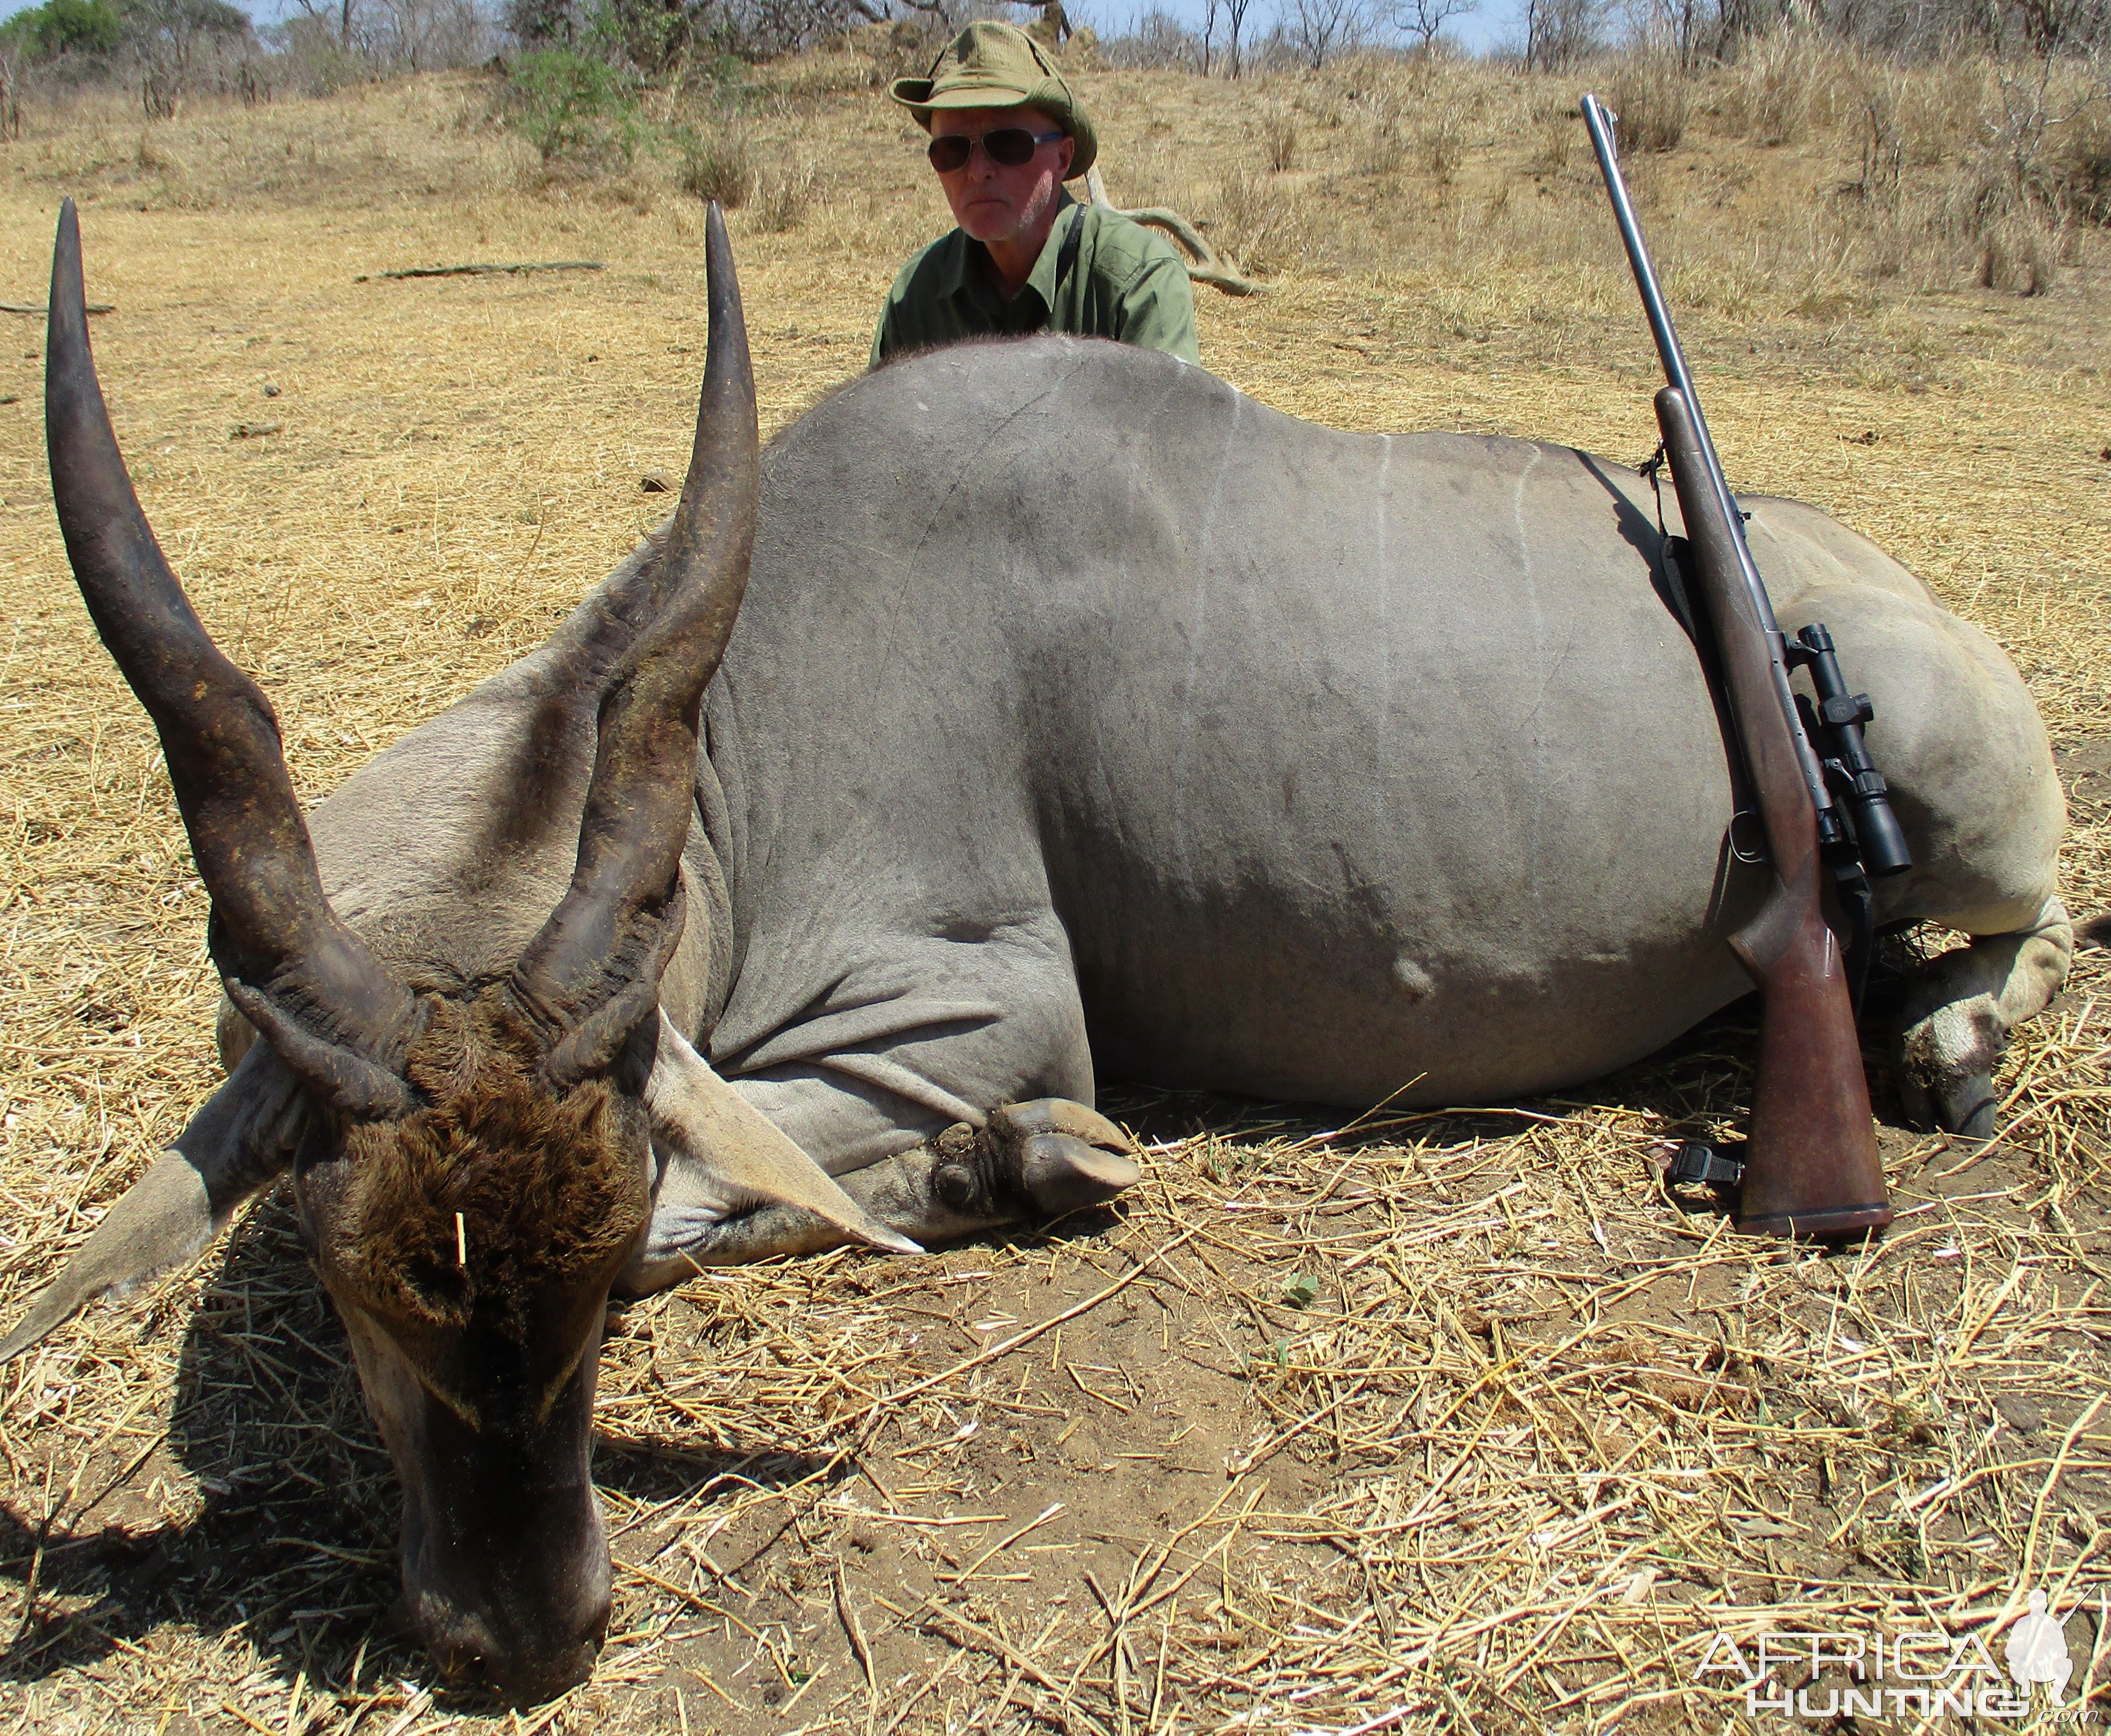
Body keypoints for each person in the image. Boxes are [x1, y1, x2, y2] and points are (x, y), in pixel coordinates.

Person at [870, 20, 1199, 370]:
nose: (977, 170)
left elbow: (1171, 421)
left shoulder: (1138, 280)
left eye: (1008, 144)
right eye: (951, 150)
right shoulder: (917, 293)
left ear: (1062, 157)